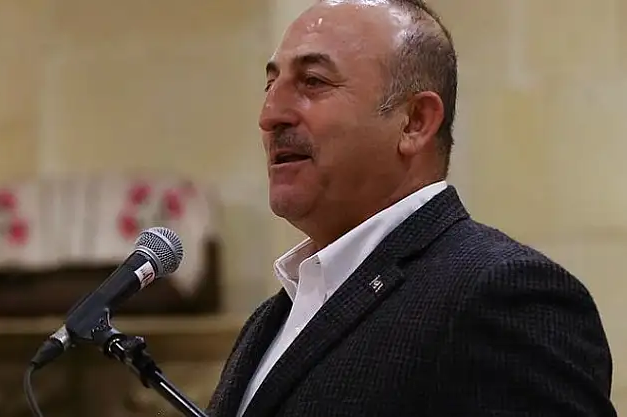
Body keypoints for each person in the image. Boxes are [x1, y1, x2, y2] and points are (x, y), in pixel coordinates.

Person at [206, 0, 618, 416]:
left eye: (313, 81)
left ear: (415, 122)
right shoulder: (271, 318)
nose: (270, 115)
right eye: (270, 85)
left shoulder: (504, 294)